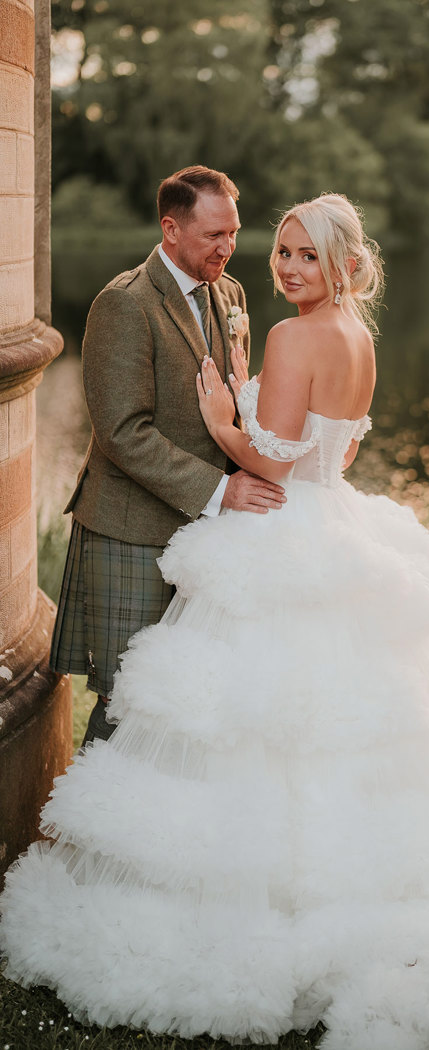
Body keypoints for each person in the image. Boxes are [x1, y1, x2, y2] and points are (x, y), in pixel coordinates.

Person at [2, 193, 429, 1050]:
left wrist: (226, 426)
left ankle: (255, 903)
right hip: (335, 520)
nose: (283, 266)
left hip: (281, 530)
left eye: (303, 255)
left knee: (258, 721)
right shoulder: (360, 337)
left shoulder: (295, 336)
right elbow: (343, 453)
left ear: (341, 263)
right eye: (281, 250)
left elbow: (277, 459)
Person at [49, 165, 285, 746]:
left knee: (190, 690)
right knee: (127, 695)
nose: (228, 248)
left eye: (233, 233)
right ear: (171, 228)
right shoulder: (124, 304)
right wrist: (222, 490)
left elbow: (231, 403)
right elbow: (122, 431)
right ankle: (80, 829)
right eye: (214, 236)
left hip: (209, 540)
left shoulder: (230, 293)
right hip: (131, 528)